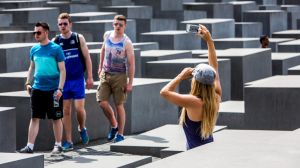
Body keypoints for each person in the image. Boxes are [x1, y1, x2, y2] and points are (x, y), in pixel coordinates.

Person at [160, 25, 222, 150]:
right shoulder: (216, 96)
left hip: (196, 153)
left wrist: (180, 76)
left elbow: (164, 92)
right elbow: (214, 67)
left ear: (195, 82)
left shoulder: (193, 102)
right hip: (208, 148)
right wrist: (210, 41)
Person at [19, 22, 66, 154]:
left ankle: (58, 145)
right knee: (35, 118)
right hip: (37, 89)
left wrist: (60, 89)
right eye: (34, 33)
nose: (36, 35)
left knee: (56, 118)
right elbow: (32, 67)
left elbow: (63, 70)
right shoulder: (34, 49)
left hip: (53, 91)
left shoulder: (56, 49)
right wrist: (28, 83)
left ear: (46, 32)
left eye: (38, 32)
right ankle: (29, 146)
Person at [54, 13, 93, 151]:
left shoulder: (78, 38)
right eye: (60, 24)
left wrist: (90, 77)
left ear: (70, 24)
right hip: (64, 82)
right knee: (66, 111)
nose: (63, 26)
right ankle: (69, 141)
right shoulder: (56, 41)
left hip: (77, 79)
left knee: (79, 109)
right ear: (58, 26)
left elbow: (87, 58)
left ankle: (82, 127)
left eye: (65, 23)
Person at [97, 15, 135, 143]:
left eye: (120, 25)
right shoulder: (107, 35)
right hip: (105, 74)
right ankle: (114, 125)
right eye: (115, 24)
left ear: (125, 26)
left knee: (119, 105)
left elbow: (131, 63)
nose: (117, 27)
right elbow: (102, 50)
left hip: (119, 76)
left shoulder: (127, 42)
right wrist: (100, 66)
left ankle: (120, 134)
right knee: (102, 102)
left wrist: (130, 82)